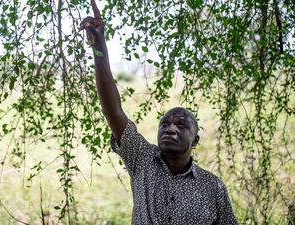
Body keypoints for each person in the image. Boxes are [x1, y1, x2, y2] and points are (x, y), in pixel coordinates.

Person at [80, 0, 238, 224]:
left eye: (181, 125)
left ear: (196, 140)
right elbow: (113, 111)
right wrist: (98, 46)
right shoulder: (142, 158)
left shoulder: (213, 188)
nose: (171, 128)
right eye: (165, 124)